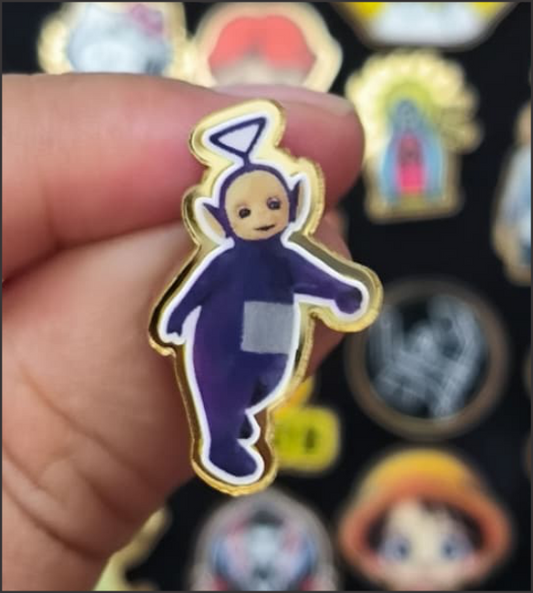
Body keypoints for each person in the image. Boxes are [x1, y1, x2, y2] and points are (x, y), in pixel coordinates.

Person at [2, 74, 364, 591]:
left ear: (293, 201)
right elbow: (193, 289)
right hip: (220, 346)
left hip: (273, 343)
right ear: (219, 217)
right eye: (245, 211)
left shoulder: (287, 255)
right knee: (222, 399)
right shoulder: (224, 260)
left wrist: (341, 293)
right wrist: (173, 320)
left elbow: (317, 277)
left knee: (258, 393)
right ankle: (220, 445)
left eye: (272, 205)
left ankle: (235, 431)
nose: (261, 217)